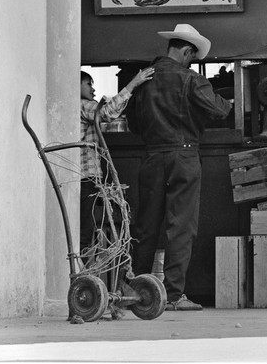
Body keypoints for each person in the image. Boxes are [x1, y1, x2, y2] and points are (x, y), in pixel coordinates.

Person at [127, 24, 232, 311]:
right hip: (183, 157)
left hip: (151, 157)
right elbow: (220, 109)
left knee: (146, 226)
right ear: (186, 50)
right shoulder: (190, 79)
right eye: (192, 57)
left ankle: (137, 291)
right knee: (180, 226)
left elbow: (134, 125)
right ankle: (173, 296)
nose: (191, 61)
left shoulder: (143, 79)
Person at [79, 67, 154, 264]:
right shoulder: (82, 105)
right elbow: (106, 113)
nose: (93, 89)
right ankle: (84, 277)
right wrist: (132, 84)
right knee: (86, 232)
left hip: (85, 177)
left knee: (87, 230)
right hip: (85, 177)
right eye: (88, 84)